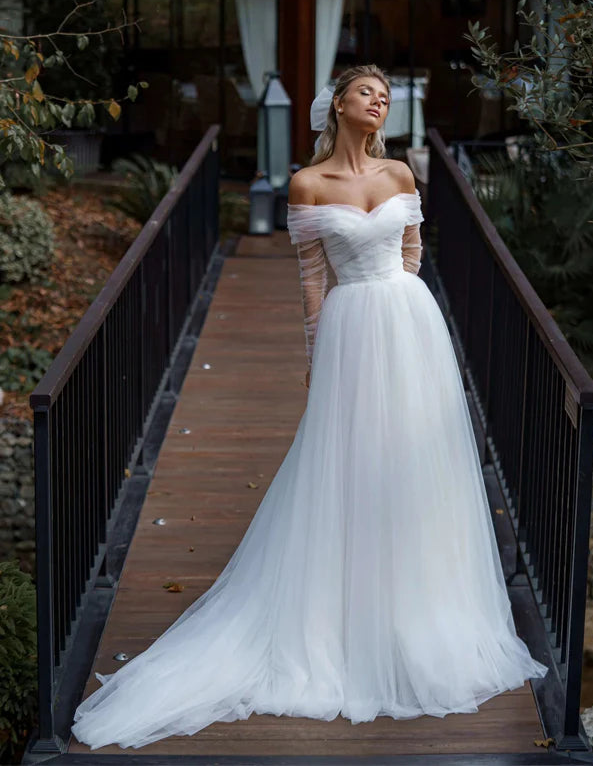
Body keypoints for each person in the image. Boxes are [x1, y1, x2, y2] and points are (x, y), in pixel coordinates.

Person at [71, 64, 548, 751]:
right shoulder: (307, 184)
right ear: (339, 105)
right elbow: (312, 284)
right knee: (350, 468)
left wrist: (404, 322)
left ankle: (416, 615)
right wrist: (318, 357)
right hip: (350, 331)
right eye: (368, 92)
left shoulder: (401, 178)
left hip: (409, 329)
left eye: (386, 95)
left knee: (415, 470)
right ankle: (344, 625)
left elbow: (412, 255)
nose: (379, 101)